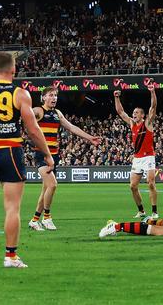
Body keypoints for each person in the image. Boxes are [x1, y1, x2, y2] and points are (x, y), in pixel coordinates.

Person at [0, 52, 54, 268]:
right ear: (14, 70)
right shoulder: (20, 94)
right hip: (11, 151)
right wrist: (46, 153)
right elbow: (33, 130)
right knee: (12, 208)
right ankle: (10, 256)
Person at [28, 87, 101, 231]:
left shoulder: (57, 113)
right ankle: (47, 218)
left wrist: (90, 138)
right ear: (43, 97)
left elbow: (72, 127)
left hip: (54, 155)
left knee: (46, 189)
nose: (54, 98)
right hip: (41, 154)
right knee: (53, 185)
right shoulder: (38, 111)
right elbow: (26, 114)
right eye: (50, 95)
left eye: (55, 95)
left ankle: (34, 220)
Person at [114, 85, 158, 219]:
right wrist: (116, 97)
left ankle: (155, 212)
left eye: (137, 113)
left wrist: (152, 92)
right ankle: (141, 211)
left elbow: (153, 107)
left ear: (143, 115)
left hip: (149, 157)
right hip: (137, 158)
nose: (134, 114)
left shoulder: (148, 123)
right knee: (133, 186)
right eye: (133, 112)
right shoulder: (132, 124)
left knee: (150, 183)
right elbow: (121, 112)